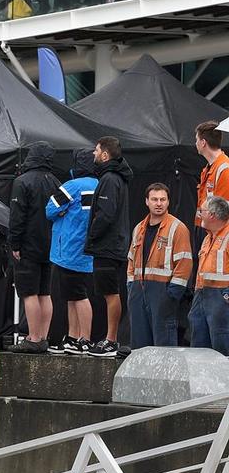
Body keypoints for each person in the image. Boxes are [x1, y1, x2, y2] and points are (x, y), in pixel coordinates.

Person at [8, 142, 62, 354]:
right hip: (50, 246)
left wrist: (15, 242)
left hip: (28, 245)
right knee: (44, 293)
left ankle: (33, 337)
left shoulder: (22, 182)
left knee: (29, 293)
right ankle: (44, 337)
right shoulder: (56, 182)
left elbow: (17, 216)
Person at [126, 183, 192, 349]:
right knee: (139, 345)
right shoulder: (139, 228)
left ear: (168, 202)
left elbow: (184, 262)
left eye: (163, 199)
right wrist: (131, 285)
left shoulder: (178, 228)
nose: (159, 203)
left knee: (164, 345)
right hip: (138, 291)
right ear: (146, 201)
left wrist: (172, 294)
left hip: (163, 292)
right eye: (154, 199)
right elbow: (131, 259)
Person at [45, 148, 98, 355]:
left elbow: (50, 209)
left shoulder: (71, 186)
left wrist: (63, 211)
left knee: (78, 296)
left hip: (69, 249)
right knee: (73, 295)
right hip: (88, 250)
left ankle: (83, 339)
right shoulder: (99, 185)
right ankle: (73, 337)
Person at [85, 136, 133, 357]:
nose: (93, 154)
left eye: (96, 150)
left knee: (110, 293)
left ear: (105, 154)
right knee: (109, 293)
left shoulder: (110, 179)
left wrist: (92, 237)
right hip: (113, 245)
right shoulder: (115, 178)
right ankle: (110, 338)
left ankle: (111, 340)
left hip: (107, 246)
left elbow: (105, 214)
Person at [191, 196, 229, 355]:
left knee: (221, 345)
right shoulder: (207, 238)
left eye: (202, 211)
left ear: (212, 215)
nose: (199, 215)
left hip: (222, 297)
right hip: (201, 294)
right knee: (199, 345)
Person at [195, 120, 229, 253]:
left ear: (203, 142)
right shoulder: (209, 169)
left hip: (214, 232)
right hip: (204, 227)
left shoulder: (224, 169)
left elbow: (223, 209)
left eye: (196, 140)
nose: (195, 144)